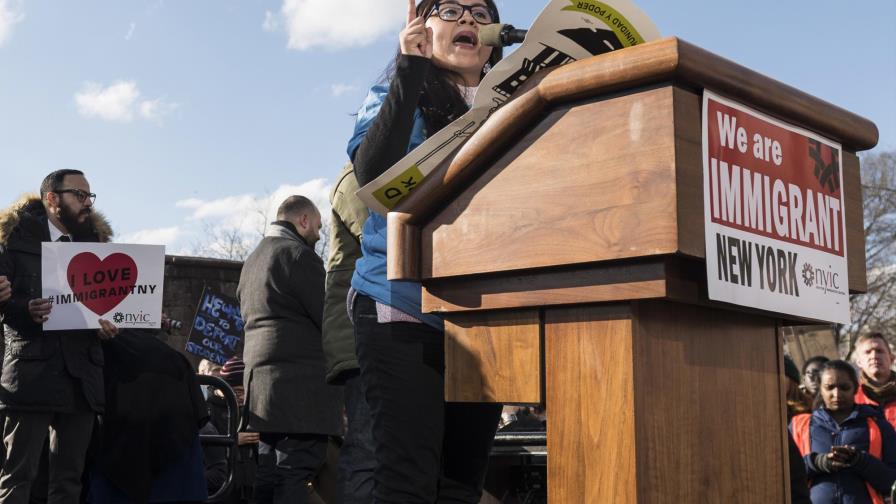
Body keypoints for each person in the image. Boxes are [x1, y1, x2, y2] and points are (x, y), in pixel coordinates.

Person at [346, 1, 504, 501]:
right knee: (408, 478)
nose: (467, 21)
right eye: (450, 10)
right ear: (421, 29)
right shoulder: (400, 92)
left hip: (482, 313)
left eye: (479, 12)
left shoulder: (520, 101)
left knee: (463, 480)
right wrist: (409, 69)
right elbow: (372, 173)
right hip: (402, 305)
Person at [0, 170, 119, 503]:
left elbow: (101, 308)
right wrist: (26, 308)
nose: (88, 203)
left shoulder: (97, 246)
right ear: (52, 199)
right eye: (79, 195)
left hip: (80, 377)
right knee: (18, 476)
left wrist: (107, 323)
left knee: (69, 481)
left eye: (90, 196)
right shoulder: (13, 236)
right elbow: (5, 301)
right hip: (31, 374)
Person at [238, 196, 342, 504]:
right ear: (304, 220)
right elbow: (328, 318)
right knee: (296, 470)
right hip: (301, 391)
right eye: (319, 227)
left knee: (269, 472)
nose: (320, 235)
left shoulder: (252, 261)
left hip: (263, 389)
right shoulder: (298, 256)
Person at [322, 162, 375, 502]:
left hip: (363, 332)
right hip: (360, 337)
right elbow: (379, 233)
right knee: (367, 448)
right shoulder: (356, 177)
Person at [790, 360, 896, 503]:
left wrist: (860, 460)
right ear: (820, 389)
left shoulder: (879, 425)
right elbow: (785, 475)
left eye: (844, 387)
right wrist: (818, 462)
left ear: (856, 388)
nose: (837, 394)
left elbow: (891, 482)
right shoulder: (800, 426)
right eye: (829, 387)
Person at [854, 333, 896, 429]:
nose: (874, 356)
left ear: (892, 358)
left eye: (879, 351)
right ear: (859, 362)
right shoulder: (850, 398)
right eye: (868, 352)